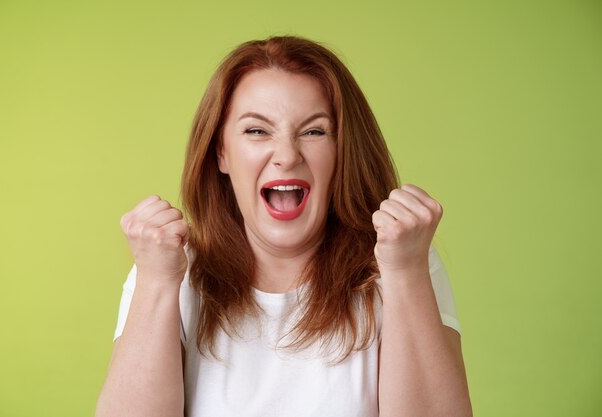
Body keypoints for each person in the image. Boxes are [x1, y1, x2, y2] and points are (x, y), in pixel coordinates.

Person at [95, 35, 473, 417]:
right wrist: (157, 281)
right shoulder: (170, 270)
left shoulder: (399, 264)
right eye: (257, 131)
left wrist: (407, 272)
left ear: (343, 151)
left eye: (314, 131)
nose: (288, 156)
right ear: (221, 152)